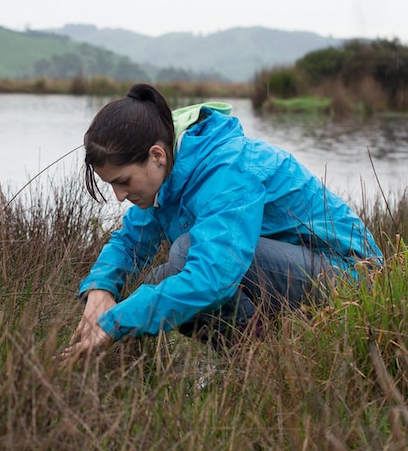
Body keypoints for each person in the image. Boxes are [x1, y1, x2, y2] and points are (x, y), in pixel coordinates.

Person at [62, 83, 382, 356]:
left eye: (123, 181)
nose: (119, 196)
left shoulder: (228, 170)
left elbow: (213, 279)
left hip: (353, 279)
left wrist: (117, 321)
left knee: (187, 257)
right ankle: (246, 359)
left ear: (156, 155)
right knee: (158, 281)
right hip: (291, 266)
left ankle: (255, 361)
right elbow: (131, 242)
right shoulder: (171, 170)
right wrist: (101, 288)